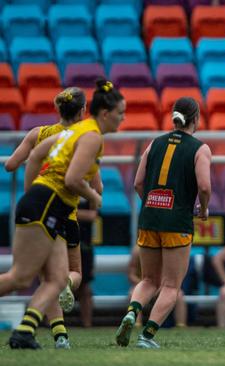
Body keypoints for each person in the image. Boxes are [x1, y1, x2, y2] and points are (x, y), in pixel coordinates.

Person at [0, 79, 124, 349]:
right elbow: (72, 179)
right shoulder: (90, 136)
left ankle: (25, 331)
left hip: (45, 203)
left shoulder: (69, 132)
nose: (123, 118)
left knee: (56, 279)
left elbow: (33, 158)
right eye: (120, 113)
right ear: (102, 113)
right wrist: (93, 196)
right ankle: (48, 334)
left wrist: (31, 191)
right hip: (49, 204)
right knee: (21, 277)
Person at [115, 96, 211, 349]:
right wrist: (203, 206)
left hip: (149, 218)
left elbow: (137, 182)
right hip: (177, 222)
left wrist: (152, 203)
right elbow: (204, 185)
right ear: (196, 118)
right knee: (171, 286)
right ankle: (147, 336)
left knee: (148, 280)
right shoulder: (200, 148)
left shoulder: (154, 143)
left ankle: (132, 312)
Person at [4, 87, 93, 348]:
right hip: (66, 213)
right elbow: (91, 181)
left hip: (36, 206)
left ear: (58, 109)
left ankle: (58, 334)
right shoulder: (82, 139)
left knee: (48, 279)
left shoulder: (38, 134)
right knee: (69, 274)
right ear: (81, 111)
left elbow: (10, 165)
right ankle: (60, 333)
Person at [126, 245, 188, 328]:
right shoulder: (138, 250)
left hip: (159, 286)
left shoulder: (165, 250)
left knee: (179, 295)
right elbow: (131, 274)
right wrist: (144, 285)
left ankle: (181, 325)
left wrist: (158, 286)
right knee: (132, 293)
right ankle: (137, 325)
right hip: (146, 284)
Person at [75, 198, 97, 328]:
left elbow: (92, 215)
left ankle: (87, 325)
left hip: (85, 248)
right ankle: (52, 324)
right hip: (63, 246)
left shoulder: (89, 193)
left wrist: (70, 213)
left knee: (85, 288)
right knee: (56, 285)